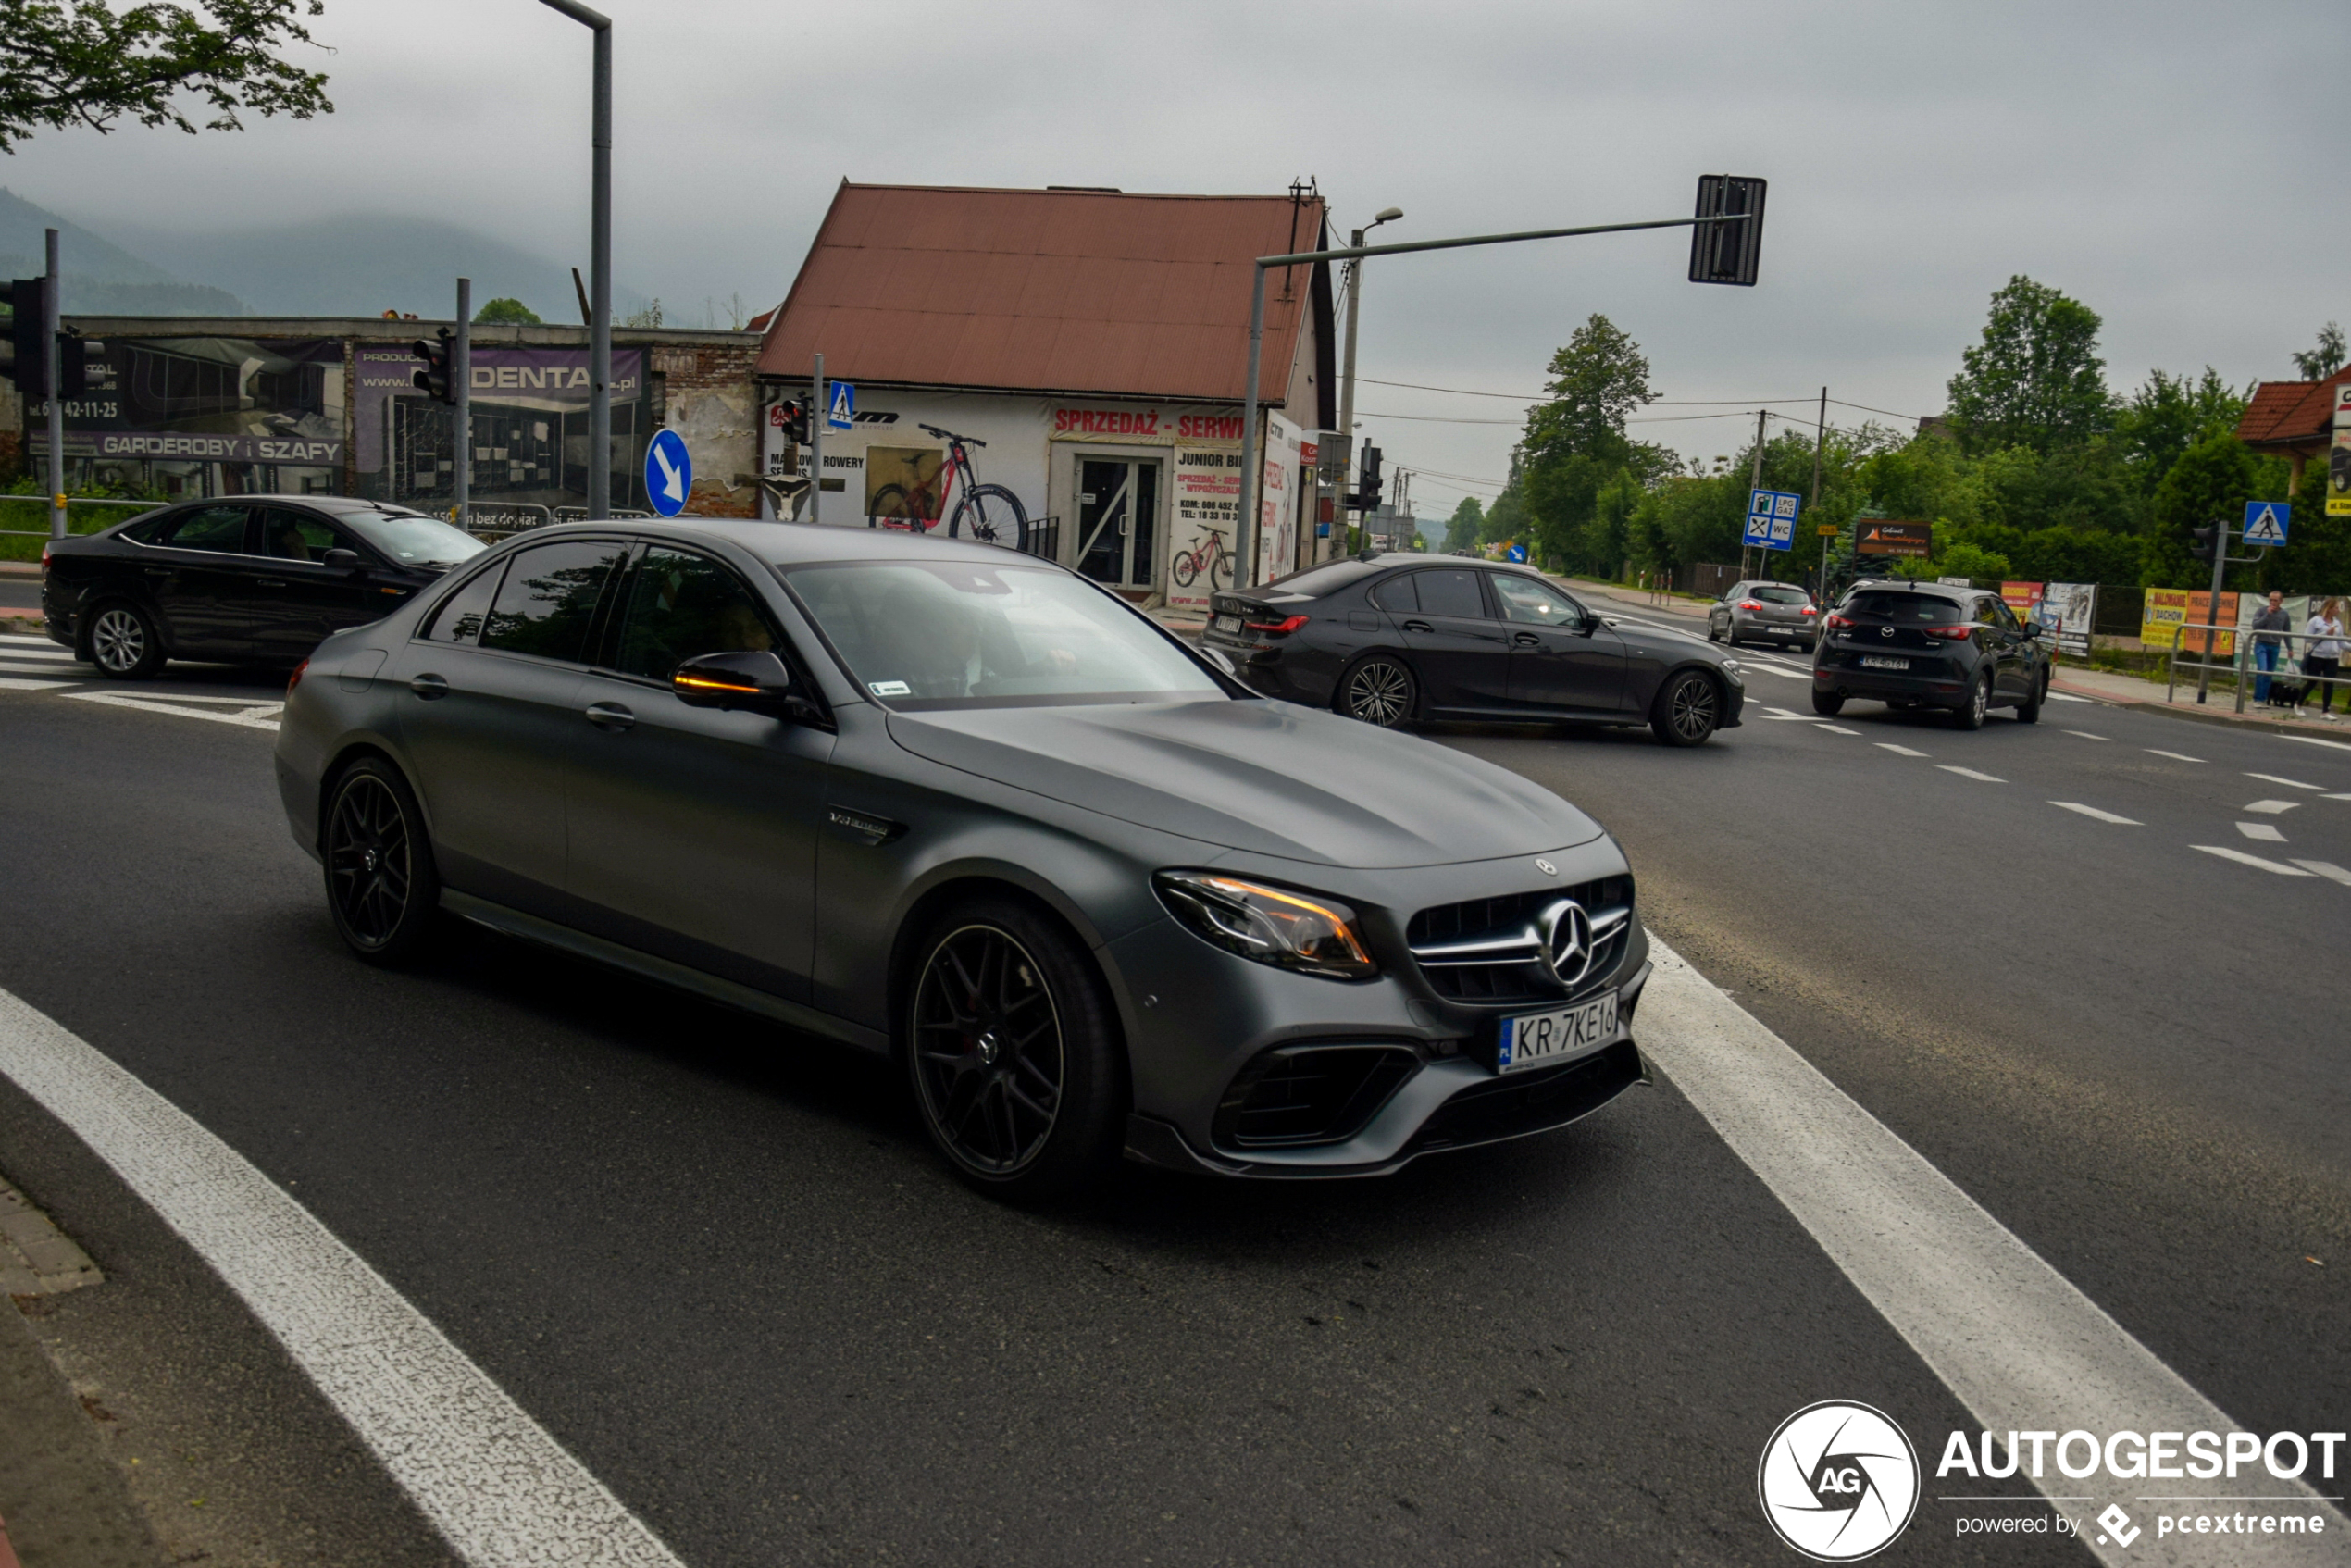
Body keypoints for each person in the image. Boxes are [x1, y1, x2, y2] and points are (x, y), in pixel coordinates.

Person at [2301, 597, 2345, 718]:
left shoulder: (2337, 623)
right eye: (2336, 607)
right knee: (2312, 682)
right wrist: (2325, 633)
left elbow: (2341, 642)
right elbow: (2307, 639)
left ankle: (2325, 711)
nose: (2338, 610)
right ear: (2329, 609)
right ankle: (2299, 704)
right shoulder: (2316, 621)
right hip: (2317, 656)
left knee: (2329, 683)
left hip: (2332, 657)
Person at [2250, 590, 2290, 705]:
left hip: (2275, 646)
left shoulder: (2284, 614)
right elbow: (2255, 626)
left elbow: (2287, 631)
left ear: (2281, 601)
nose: (2272, 602)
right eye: (2271, 600)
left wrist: (2290, 648)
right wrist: (2268, 615)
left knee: (2269, 673)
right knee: (2262, 670)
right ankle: (2257, 699)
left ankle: (2263, 699)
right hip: (2261, 644)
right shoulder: (2262, 611)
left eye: (2275, 600)